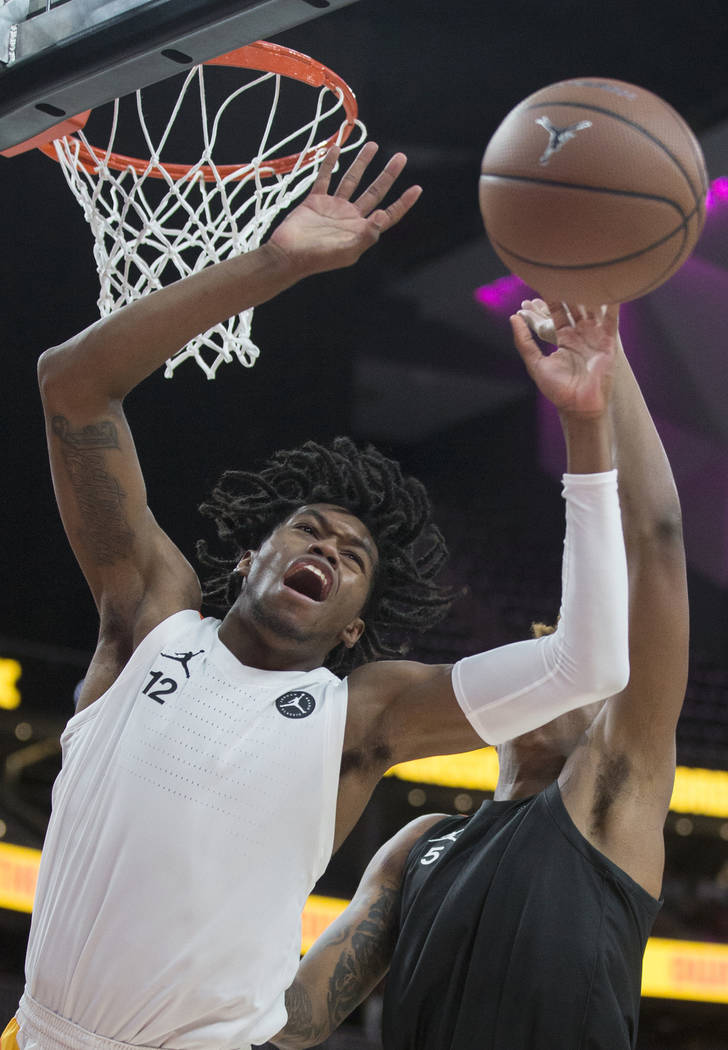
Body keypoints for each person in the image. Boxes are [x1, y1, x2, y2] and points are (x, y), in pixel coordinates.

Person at [7, 146, 629, 1050]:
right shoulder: (149, 618)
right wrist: (275, 264)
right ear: (255, 554)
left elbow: (593, 660)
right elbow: (71, 388)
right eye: (309, 532)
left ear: (357, 624)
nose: (328, 551)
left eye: (353, 557)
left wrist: (585, 426)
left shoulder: (360, 715)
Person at [269, 299, 689, 1050]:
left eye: (568, 666)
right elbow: (295, 1022)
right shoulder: (418, 845)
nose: (549, 671)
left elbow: (655, 538)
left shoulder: (607, 798)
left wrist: (605, 365)